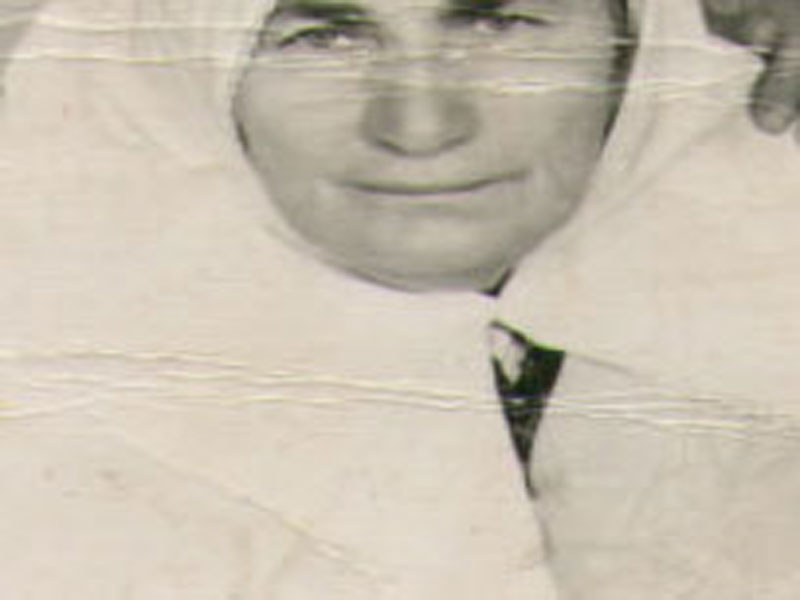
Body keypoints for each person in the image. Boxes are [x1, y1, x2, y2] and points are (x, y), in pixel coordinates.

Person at [0, 0, 798, 598]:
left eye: (496, 23)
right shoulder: (56, 454)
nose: (420, 125)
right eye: (324, 37)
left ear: (642, 48)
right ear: (181, 74)